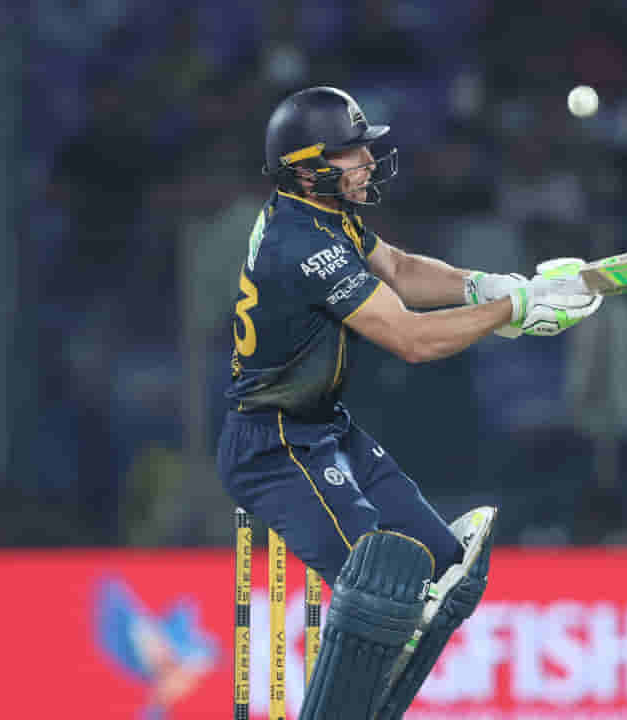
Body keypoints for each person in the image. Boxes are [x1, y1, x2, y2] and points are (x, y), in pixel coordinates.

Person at [215, 86, 602, 719]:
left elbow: (396, 268)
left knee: (448, 571)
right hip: (274, 448)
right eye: (350, 152)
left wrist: (485, 286)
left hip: (324, 429)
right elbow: (413, 341)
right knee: (382, 586)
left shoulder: (323, 213)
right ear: (307, 167)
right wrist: (515, 309)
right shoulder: (303, 243)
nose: (367, 161)